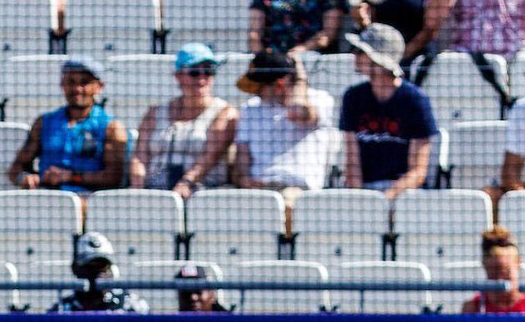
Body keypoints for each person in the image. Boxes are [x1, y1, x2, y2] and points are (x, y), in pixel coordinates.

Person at [339, 23, 434, 199]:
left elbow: (418, 171)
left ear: (378, 60)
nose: (354, 55)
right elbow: (352, 162)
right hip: (364, 192)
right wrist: (361, 201)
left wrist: (386, 199)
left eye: (361, 51)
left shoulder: (414, 100)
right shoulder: (353, 97)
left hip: (405, 194)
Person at [231, 47, 337, 202]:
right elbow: (242, 154)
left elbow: (297, 112)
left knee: (287, 202)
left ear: (279, 84)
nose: (255, 92)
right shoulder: (250, 108)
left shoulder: (320, 99)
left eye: (260, 87)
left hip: (298, 191)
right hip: (257, 188)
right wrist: (245, 180)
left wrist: (300, 80)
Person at [130, 42, 237, 194]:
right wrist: (138, 189)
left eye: (208, 71)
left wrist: (186, 182)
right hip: (155, 189)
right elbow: (139, 157)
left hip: (203, 191)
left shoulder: (225, 112)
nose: (202, 78)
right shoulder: (155, 113)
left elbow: (210, 156)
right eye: (194, 72)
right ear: (178, 76)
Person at [10, 56, 126, 194]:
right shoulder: (44, 123)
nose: (77, 89)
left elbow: (113, 178)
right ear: (62, 84)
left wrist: (71, 176)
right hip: (46, 196)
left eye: (84, 82)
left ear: (99, 87)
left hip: (88, 199)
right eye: (71, 82)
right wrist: (23, 178)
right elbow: (16, 168)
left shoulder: (111, 127)